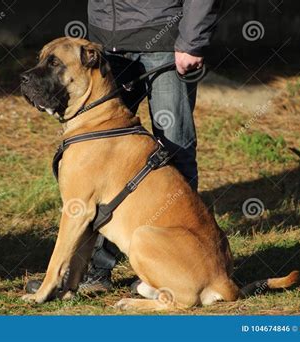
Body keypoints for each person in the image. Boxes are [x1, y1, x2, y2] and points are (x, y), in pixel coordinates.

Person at [26, 0, 220, 295]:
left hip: (167, 37)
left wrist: (192, 40)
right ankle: (97, 271)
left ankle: (188, 271)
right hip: (108, 42)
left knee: (173, 151)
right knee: (106, 171)